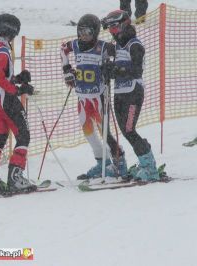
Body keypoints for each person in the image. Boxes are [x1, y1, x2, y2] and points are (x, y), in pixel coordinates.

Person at [60, 14, 127, 180]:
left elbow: (118, 53)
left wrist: (110, 66)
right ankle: (102, 163)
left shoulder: (103, 47)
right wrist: (67, 70)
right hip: (82, 98)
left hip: (99, 97)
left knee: (105, 132)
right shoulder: (74, 45)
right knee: (88, 133)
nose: (84, 36)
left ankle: (120, 163)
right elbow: (63, 49)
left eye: (88, 32)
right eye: (81, 31)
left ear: (95, 32)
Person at [0, 13, 37, 193]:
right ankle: (15, 177)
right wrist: (18, 90)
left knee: (1, 136)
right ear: (11, 32)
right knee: (23, 135)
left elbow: (2, 76)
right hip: (5, 100)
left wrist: (18, 78)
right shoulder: (2, 51)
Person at [101, 10, 160, 181]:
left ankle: (150, 167)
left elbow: (136, 70)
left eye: (114, 27)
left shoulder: (134, 45)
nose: (112, 32)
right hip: (120, 93)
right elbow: (116, 66)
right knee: (125, 131)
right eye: (110, 29)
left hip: (133, 93)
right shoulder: (119, 45)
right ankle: (144, 159)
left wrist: (116, 70)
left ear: (124, 24)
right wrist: (108, 69)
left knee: (129, 130)